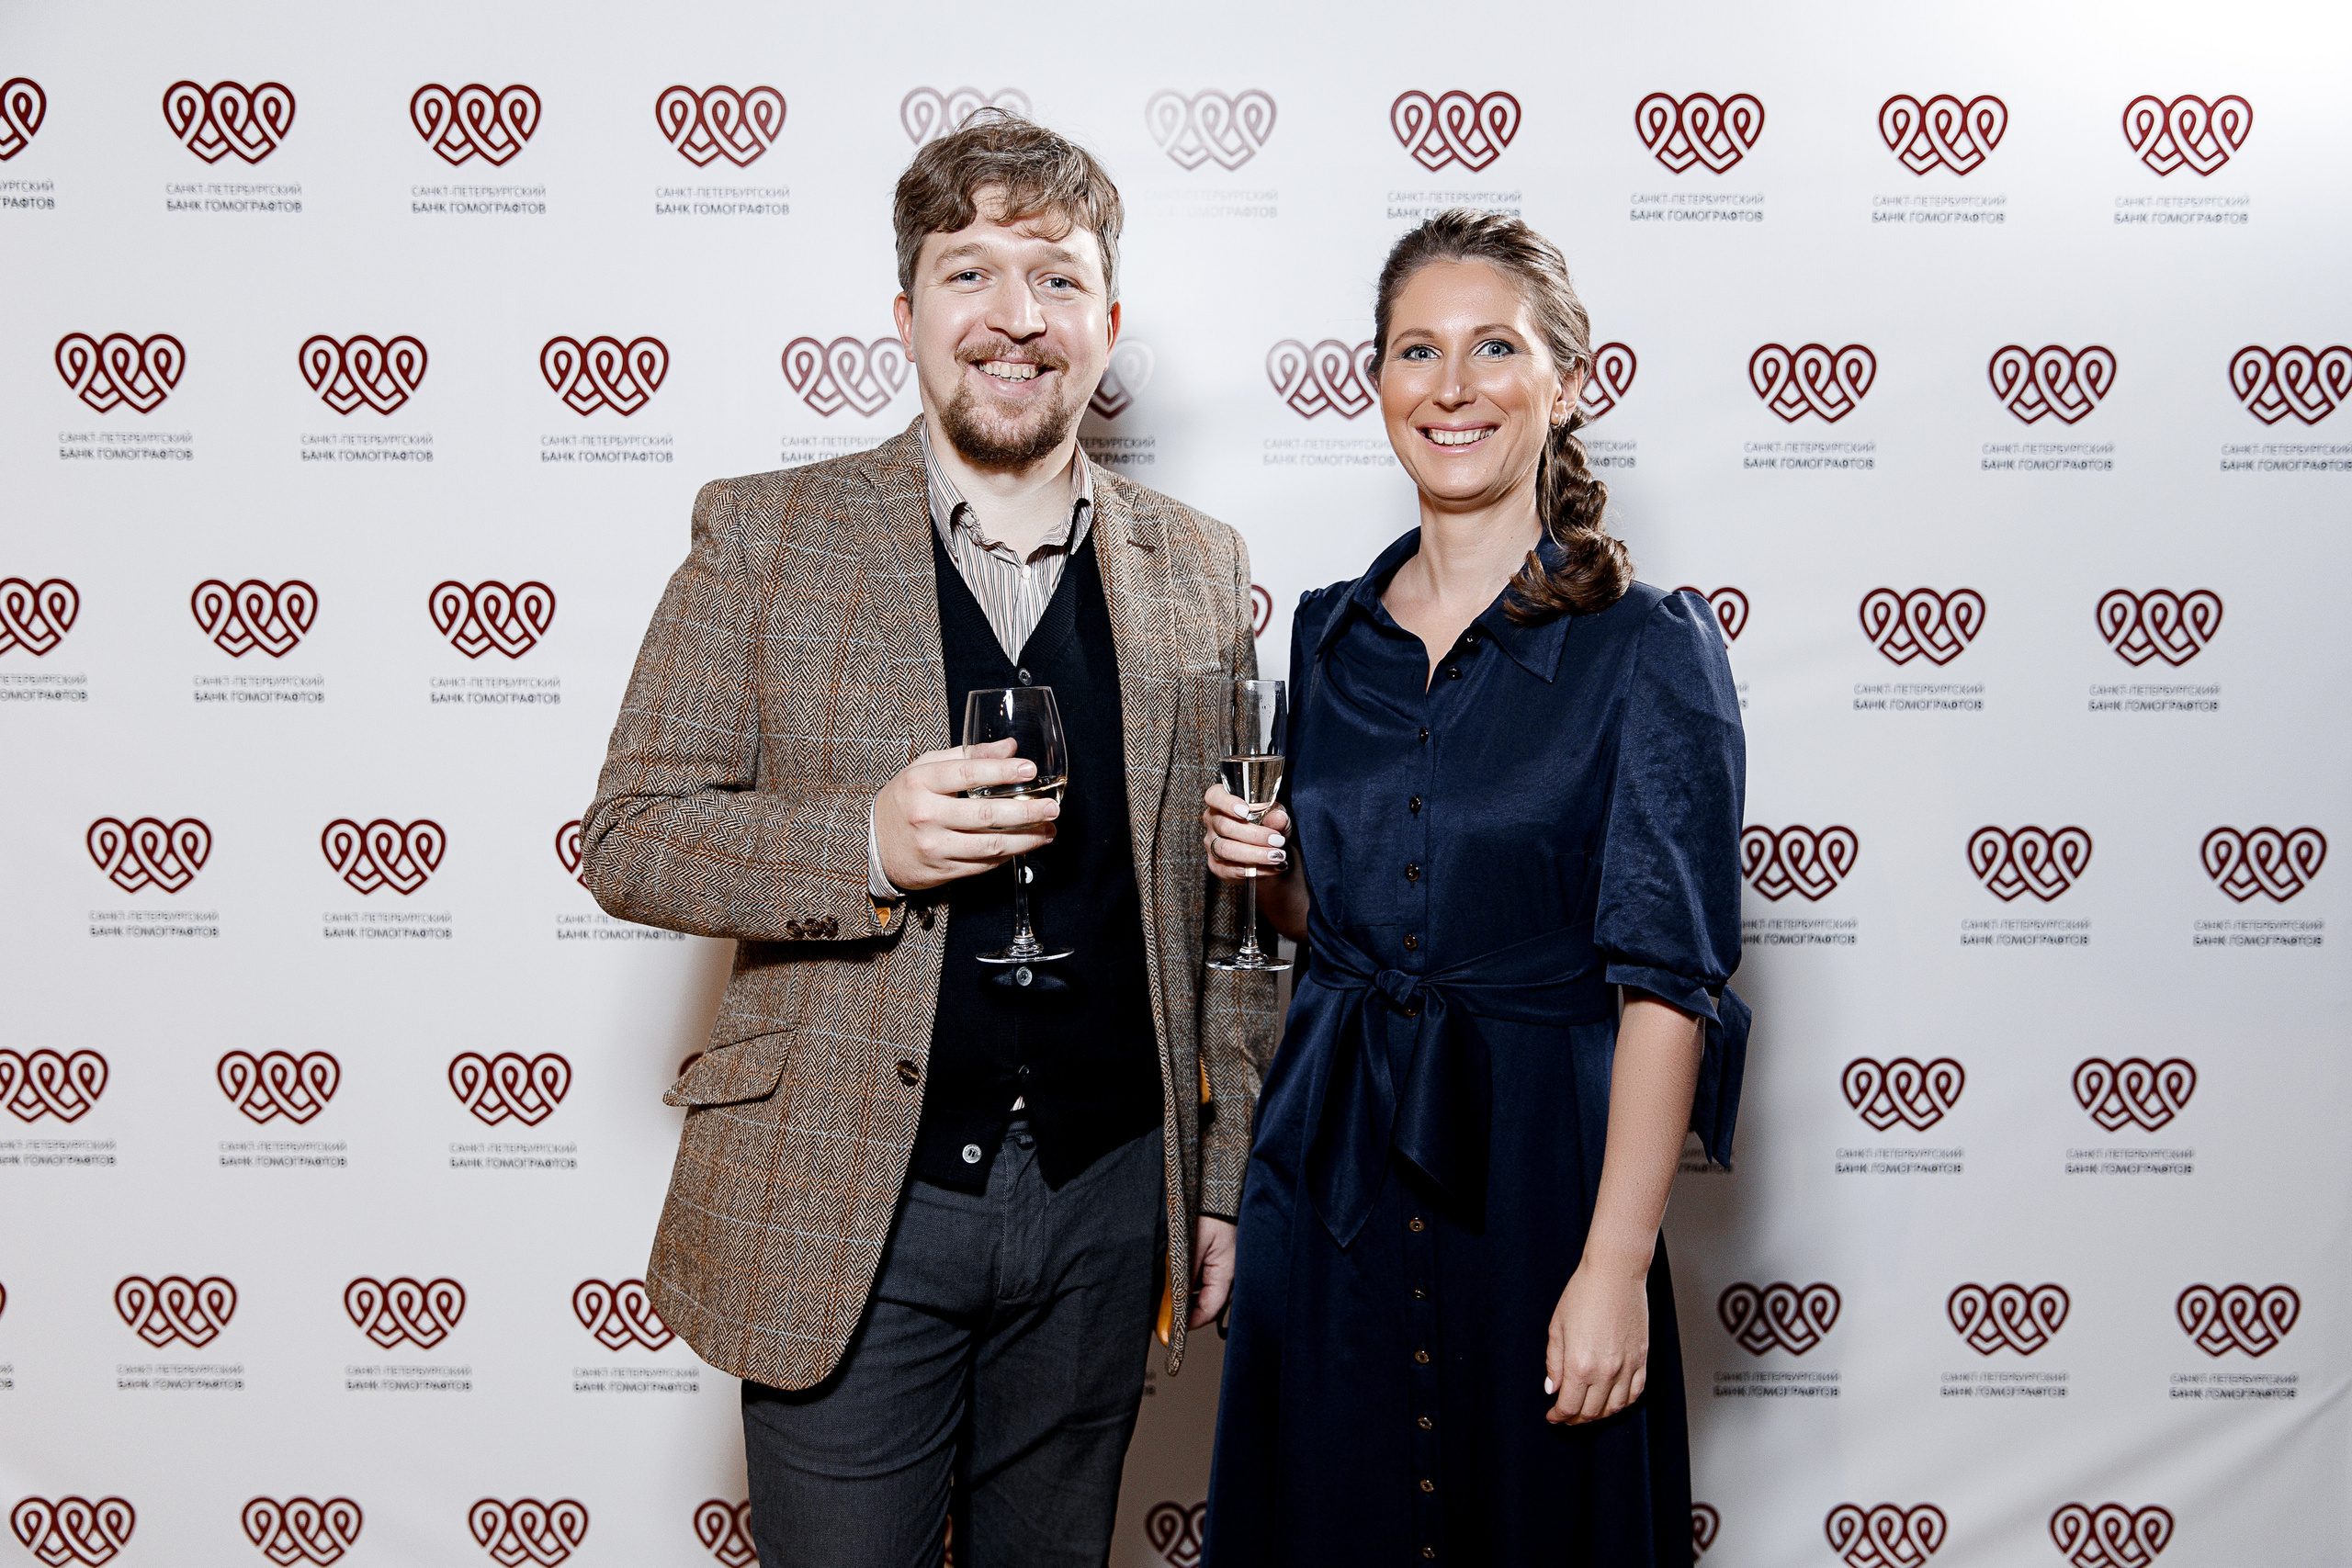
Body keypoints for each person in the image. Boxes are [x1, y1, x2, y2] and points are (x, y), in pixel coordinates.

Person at [580, 111, 1275, 1568]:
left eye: (1057, 278)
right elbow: (631, 838)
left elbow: (1230, 922)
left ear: (1109, 322)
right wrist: (867, 845)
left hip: (1105, 1200)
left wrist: (1218, 1178)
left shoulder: (1200, 567)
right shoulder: (768, 538)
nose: (1016, 319)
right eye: (971, 275)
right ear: (905, 316)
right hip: (845, 1198)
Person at [1198, 209, 1749, 1565]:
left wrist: (1615, 1264)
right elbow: (1343, 926)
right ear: (1377, 381)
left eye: (1494, 347)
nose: (1453, 387)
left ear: (1567, 379)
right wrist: (1264, 876)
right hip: (1327, 1166)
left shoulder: (1650, 646)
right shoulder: (1324, 635)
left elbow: (1669, 985)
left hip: (1543, 1176)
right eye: (1416, 351)